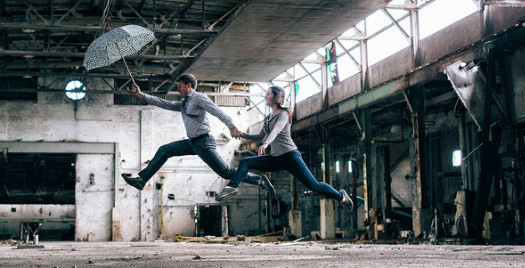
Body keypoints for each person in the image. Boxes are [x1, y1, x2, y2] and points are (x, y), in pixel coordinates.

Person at [121, 74, 275, 195]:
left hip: (204, 142)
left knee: (226, 172)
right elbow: (165, 103)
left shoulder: (199, 98)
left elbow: (217, 111)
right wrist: (140, 94)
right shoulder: (184, 102)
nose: (178, 89)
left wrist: (232, 126)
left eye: (179, 87)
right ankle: (142, 180)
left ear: (188, 86)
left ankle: (259, 180)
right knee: (165, 150)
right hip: (193, 143)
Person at [215, 86, 353, 211]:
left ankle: (342, 197)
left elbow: (275, 131)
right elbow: (259, 137)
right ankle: (232, 187)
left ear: (276, 98)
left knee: (314, 186)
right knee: (245, 162)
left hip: (290, 156)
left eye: (268, 94)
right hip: (276, 158)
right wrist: (242, 134)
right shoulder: (268, 118)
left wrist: (265, 144)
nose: (265, 97)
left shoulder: (283, 114)